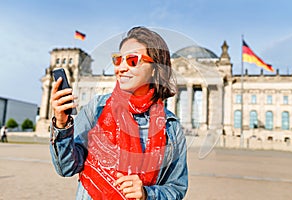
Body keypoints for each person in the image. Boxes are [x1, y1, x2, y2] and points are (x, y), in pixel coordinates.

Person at [50, 26, 188, 200]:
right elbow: (66, 167)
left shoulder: (171, 126)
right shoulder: (96, 108)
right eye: (118, 59)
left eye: (132, 60)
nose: (121, 68)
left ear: (154, 69)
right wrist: (62, 125)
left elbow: (177, 187)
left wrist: (147, 194)